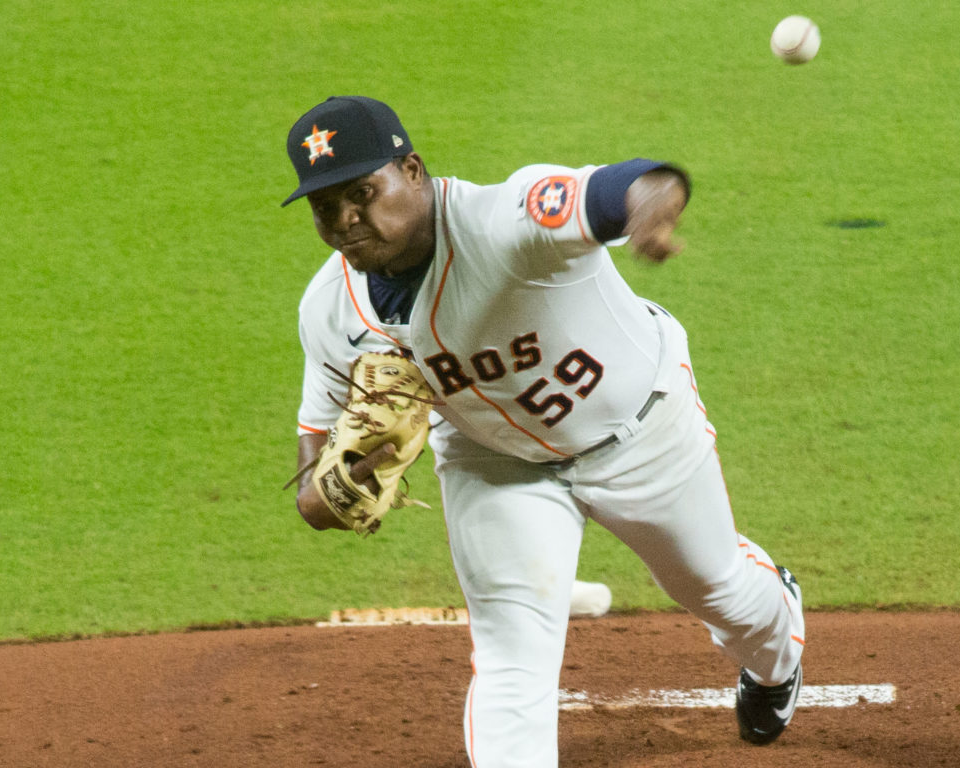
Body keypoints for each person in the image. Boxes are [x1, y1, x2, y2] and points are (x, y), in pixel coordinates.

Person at [282, 95, 805, 766]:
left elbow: (640, 183)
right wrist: (323, 495)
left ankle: (775, 646)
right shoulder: (329, 309)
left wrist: (646, 218)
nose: (349, 220)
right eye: (327, 208)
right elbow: (316, 448)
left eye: (362, 192)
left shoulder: (508, 218)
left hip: (639, 430)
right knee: (511, 658)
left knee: (717, 590)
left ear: (411, 170)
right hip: (493, 463)